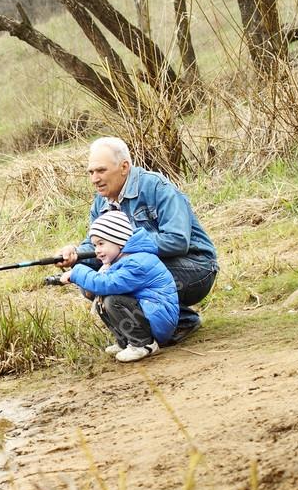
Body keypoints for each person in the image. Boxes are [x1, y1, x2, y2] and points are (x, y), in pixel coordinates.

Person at [59, 136, 218, 344]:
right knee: (89, 283)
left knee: (129, 274)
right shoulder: (101, 202)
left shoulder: (156, 187)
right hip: (150, 269)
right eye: (91, 172)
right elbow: (97, 245)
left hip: (196, 268)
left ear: (124, 167)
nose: (94, 179)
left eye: (101, 171)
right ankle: (174, 322)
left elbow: (178, 240)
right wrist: (76, 255)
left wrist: (126, 247)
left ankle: (173, 324)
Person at [60, 211, 179, 361]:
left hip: (159, 319)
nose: (96, 250)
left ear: (119, 241)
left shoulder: (137, 262)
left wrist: (77, 272)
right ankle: (126, 342)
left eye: (101, 243)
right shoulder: (120, 260)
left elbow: (107, 284)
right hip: (149, 314)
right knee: (103, 300)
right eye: (95, 245)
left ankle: (144, 344)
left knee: (112, 300)